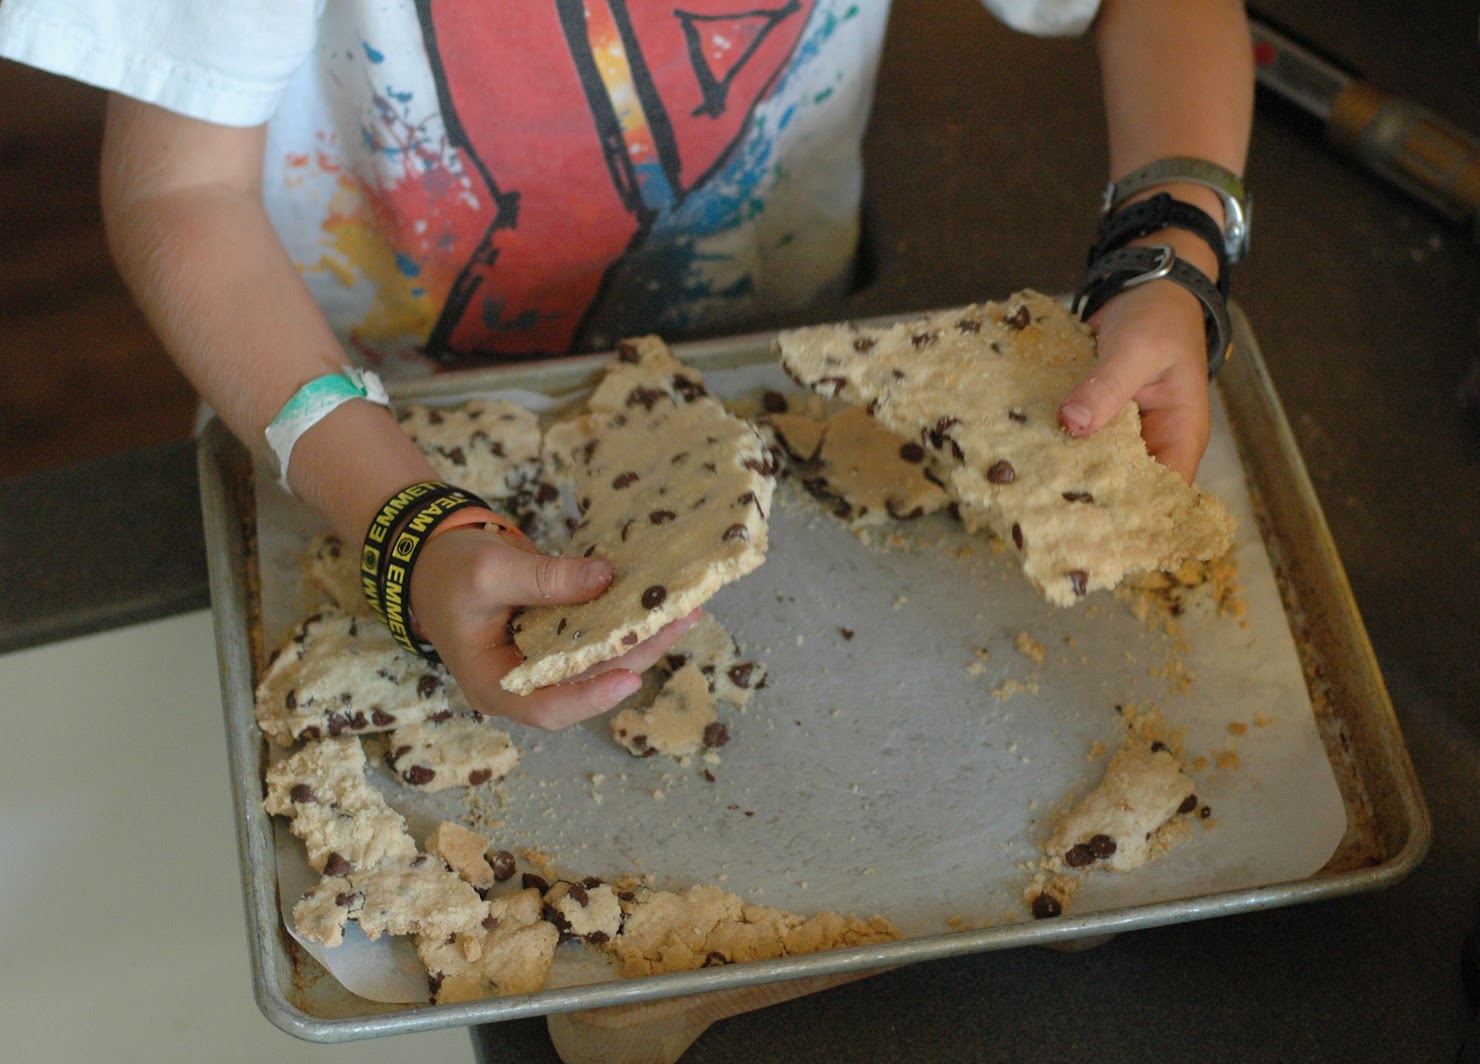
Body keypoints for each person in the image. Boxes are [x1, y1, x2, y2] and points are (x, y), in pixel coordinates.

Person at [0, 0, 1252, 727]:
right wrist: (398, 522)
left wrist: (1167, 253)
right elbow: (181, 194)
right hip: (334, 427)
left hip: (766, 403)